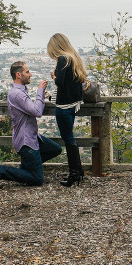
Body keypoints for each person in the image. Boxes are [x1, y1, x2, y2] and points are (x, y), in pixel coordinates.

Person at [0, 61, 62, 188]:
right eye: (27, 72)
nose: (30, 75)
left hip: (32, 137)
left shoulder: (20, 91)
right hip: (26, 141)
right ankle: (1, 171)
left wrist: (41, 98)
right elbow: (37, 112)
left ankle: (27, 168)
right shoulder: (17, 94)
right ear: (18, 74)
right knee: (37, 179)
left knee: (55, 149)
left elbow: (31, 108)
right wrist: (40, 91)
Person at [47, 33, 86, 187]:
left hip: (63, 107)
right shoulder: (74, 58)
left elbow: (61, 83)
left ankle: (74, 174)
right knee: (71, 139)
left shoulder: (63, 59)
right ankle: (79, 170)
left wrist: (54, 76)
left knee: (68, 139)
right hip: (73, 104)